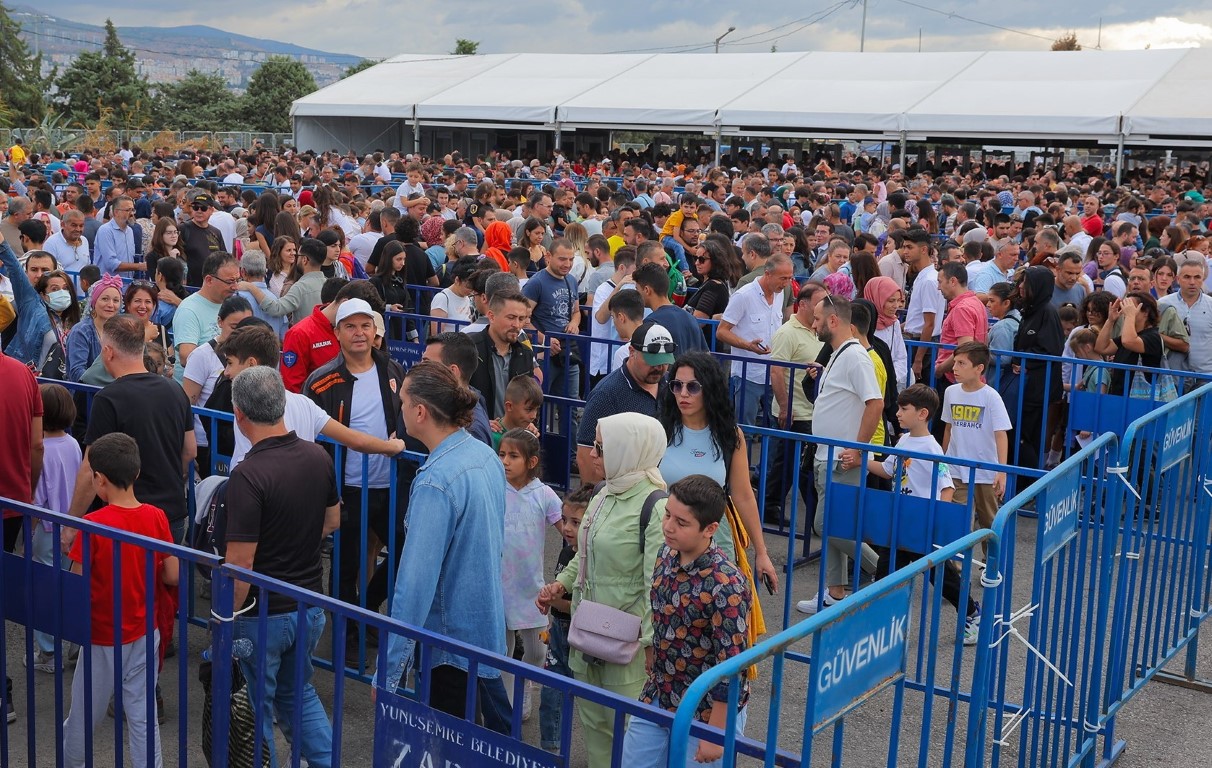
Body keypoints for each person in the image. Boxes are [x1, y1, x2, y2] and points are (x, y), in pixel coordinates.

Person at [383, 361, 512, 733]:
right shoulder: (485, 455)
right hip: (483, 633)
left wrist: (389, 674)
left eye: (403, 401)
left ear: (420, 411)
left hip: (448, 646)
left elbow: (414, 586)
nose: (400, 407)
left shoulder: (435, 482)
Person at [537, 412, 669, 768]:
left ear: (628, 450)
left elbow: (656, 585)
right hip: (588, 636)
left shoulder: (655, 507)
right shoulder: (601, 494)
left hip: (626, 648)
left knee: (625, 737)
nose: (592, 454)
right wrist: (559, 585)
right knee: (595, 730)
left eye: (601, 446)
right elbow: (583, 554)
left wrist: (646, 644)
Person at [225, 366, 340, 768]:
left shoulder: (247, 475)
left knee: (254, 708)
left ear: (239, 413)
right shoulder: (317, 455)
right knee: (298, 694)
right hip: (309, 603)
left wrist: (225, 621)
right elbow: (332, 521)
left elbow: (240, 563)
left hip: (261, 614)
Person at [619, 475, 751, 768]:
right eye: (667, 515)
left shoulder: (726, 583)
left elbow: (732, 664)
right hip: (660, 691)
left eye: (681, 522)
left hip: (707, 710)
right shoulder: (666, 553)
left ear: (710, 529)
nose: (668, 526)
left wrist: (715, 733)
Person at [62, 432, 177, 768]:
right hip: (145, 630)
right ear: (136, 474)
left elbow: (77, 582)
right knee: (143, 718)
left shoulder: (93, 524)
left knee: (83, 719)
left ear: (99, 479)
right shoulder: (156, 517)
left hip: (101, 634)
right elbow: (171, 575)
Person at [864, 385, 981, 645]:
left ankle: (972, 613)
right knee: (885, 573)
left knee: (941, 575)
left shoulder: (931, 448)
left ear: (922, 413)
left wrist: (936, 519)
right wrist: (861, 461)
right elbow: (887, 470)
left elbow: (947, 485)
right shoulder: (903, 440)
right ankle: (875, 625)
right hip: (899, 520)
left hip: (921, 522)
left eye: (904, 409)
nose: (897, 413)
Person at [67, 316, 194, 546]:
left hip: (127, 521)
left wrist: (71, 524)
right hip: (172, 514)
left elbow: (90, 467)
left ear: (108, 351)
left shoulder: (107, 398)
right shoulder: (175, 390)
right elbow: (190, 451)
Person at [658, 349, 779, 590]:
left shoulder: (729, 436)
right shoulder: (659, 430)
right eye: (677, 385)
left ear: (710, 389)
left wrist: (762, 553)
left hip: (714, 541)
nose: (683, 394)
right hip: (665, 538)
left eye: (692, 387)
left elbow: (743, 496)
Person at [797, 295, 880, 614]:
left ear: (834, 321)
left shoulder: (855, 356)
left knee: (827, 523)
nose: (813, 324)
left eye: (817, 319)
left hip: (842, 460)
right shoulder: (840, 354)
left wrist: (858, 450)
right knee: (835, 528)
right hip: (826, 456)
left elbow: (875, 403)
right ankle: (835, 593)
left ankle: (885, 569)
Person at [498, 428, 562, 720]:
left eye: (513, 456)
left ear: (532, 461)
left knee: (537, 651)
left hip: (531, 587)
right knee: (503, 650)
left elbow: (569, 529)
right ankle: (511, 703)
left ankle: (526, 688)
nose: (505, 461)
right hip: (499, 585)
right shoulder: (496, 487)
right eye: (502, 455)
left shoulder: (544, 495)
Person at [575, 320, 673, 486]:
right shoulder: (606, 394)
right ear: (632, 352)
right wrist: (595, 500)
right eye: (652, 361)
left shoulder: (672, 386)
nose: (659, 367)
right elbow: (586, 456)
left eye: (664, 362)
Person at [26, 383, 80, 671]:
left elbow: (37, 498)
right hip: (72, 527)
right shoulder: (72, 444)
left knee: (43, 590)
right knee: (69, 585)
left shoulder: (40, 450)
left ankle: (48, 652)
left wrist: (27, 532)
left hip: (47, 529)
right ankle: (74, 641)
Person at [765, 280, 827, 524]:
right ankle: (774, 506)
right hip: (794, 412)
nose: (824, 307)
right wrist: (785, 406)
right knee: (794, 466)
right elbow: (776, 371)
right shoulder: (786, 333)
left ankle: (780, 507)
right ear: (802, 305)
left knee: (797, 466)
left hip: (811, 411)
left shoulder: (819, 331)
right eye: (819, 303)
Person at [941, 342, 1010, 552]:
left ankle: (991, 567)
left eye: (962, 363)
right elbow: (948, 429)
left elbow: (1001, 434)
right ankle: (958, 573)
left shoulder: (991, 396)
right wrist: (944, 462)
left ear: (979, 368)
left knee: (989, 522)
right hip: (956, 468)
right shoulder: (951, 392)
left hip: (985, 471)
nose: (955, 368)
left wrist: (1001, 470)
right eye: (955, 362)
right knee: (958, 522)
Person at [539, 485, 593, 752]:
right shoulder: (566, 552)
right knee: (551, 692)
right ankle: (550, 748)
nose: (568, 528)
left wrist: (554, 600)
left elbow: (584, 605)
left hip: (580, 635)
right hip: (558, 631)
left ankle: (601, 750)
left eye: (576, 522)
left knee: (589, 701)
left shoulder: (590, 558)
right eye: (565, 520)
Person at [716, 253, 795, 426]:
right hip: (748, 374)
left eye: (789, 278)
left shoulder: (779, 293)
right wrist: (747, 346)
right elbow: (721, 331)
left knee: (774, 427)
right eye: (783, 278)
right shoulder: (743, 296)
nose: (786, 283)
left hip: (773, 374)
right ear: (768, 274)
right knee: (745, 430)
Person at [183, 297, 253, 475]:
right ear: (220, 322)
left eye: (247, 327)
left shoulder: (252, 357)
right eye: (235, 327)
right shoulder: (201, 355)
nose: (241, 333)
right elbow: (187, 404)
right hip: (206, 442)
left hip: (239, 441)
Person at [1013, 266, 1064, 472]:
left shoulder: (1047, 312)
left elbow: (1050, 349)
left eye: (1027, 283)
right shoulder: (1031, 310)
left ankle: (1029, 483)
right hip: (1028, 388)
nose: (1022, 287)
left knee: (1028, 437)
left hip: (1039, 389)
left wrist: (1026, 362)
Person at [468, 289, 541, 420]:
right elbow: (455, 395)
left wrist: (528, 424)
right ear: (491, 316)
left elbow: (529, 399)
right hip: (477, 433)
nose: (517, 325)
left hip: (512, 435)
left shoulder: (525, 353)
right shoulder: (469, 348)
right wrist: (480, 423)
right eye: (511, 317)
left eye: (521, 319)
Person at [523, 238, 581, 399]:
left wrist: (574, 323)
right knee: (539, 403)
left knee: (571, 403)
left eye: (571, 259)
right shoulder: (536, 283)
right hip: (544, 355)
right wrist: (544, 340)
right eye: (562, 259)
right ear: (548, 256)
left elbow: (576, 311)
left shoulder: (571, 280)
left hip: (567, 350)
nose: (567, 264)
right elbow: (522, 319)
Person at [172, 251, 240, 380]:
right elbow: (186, 357)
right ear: (209, 280)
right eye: (230, 281)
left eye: (238, 280)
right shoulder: (189, 310)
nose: (235, 286)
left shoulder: (231, 304)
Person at [421, 331, 493, 446]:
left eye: (427, 363)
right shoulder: (469, 401)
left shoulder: (470, 432)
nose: (419, 368)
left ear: (452, 371)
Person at [241, 237, 328, 326]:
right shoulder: (328, 284)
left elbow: (276, 309)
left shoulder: (300, 287)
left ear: (305, 260)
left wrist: (251, 287)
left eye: (297, 255)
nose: (294, 256)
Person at [632, 261, 705, 357]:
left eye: (637, 289)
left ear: (647, 290)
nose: (636, 293)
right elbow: (705, 354)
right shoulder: (691, 318)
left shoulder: (652, 322)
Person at [1159, 256, 1212, 387]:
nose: (1192, 282)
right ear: (1178, 279)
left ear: (1203, 279)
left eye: (1197, 277)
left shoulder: (1211, 305)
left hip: (1205, 378)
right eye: (1187, 277)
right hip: (1172, 377)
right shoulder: (1163, 304)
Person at [66, 274, 123, 381]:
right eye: (105, 299)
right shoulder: (81, 331)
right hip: (86, 394)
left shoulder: (120, 332)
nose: (110, 305)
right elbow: (76, 372)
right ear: (94, 302)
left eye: (115, 301)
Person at [864, 276, 908, 391]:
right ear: (877, 298)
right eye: (891, 300)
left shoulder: (894, 324)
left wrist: (891, 378)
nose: (896, 306)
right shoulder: (862, 323)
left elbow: (901, 357)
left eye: (898, 300)